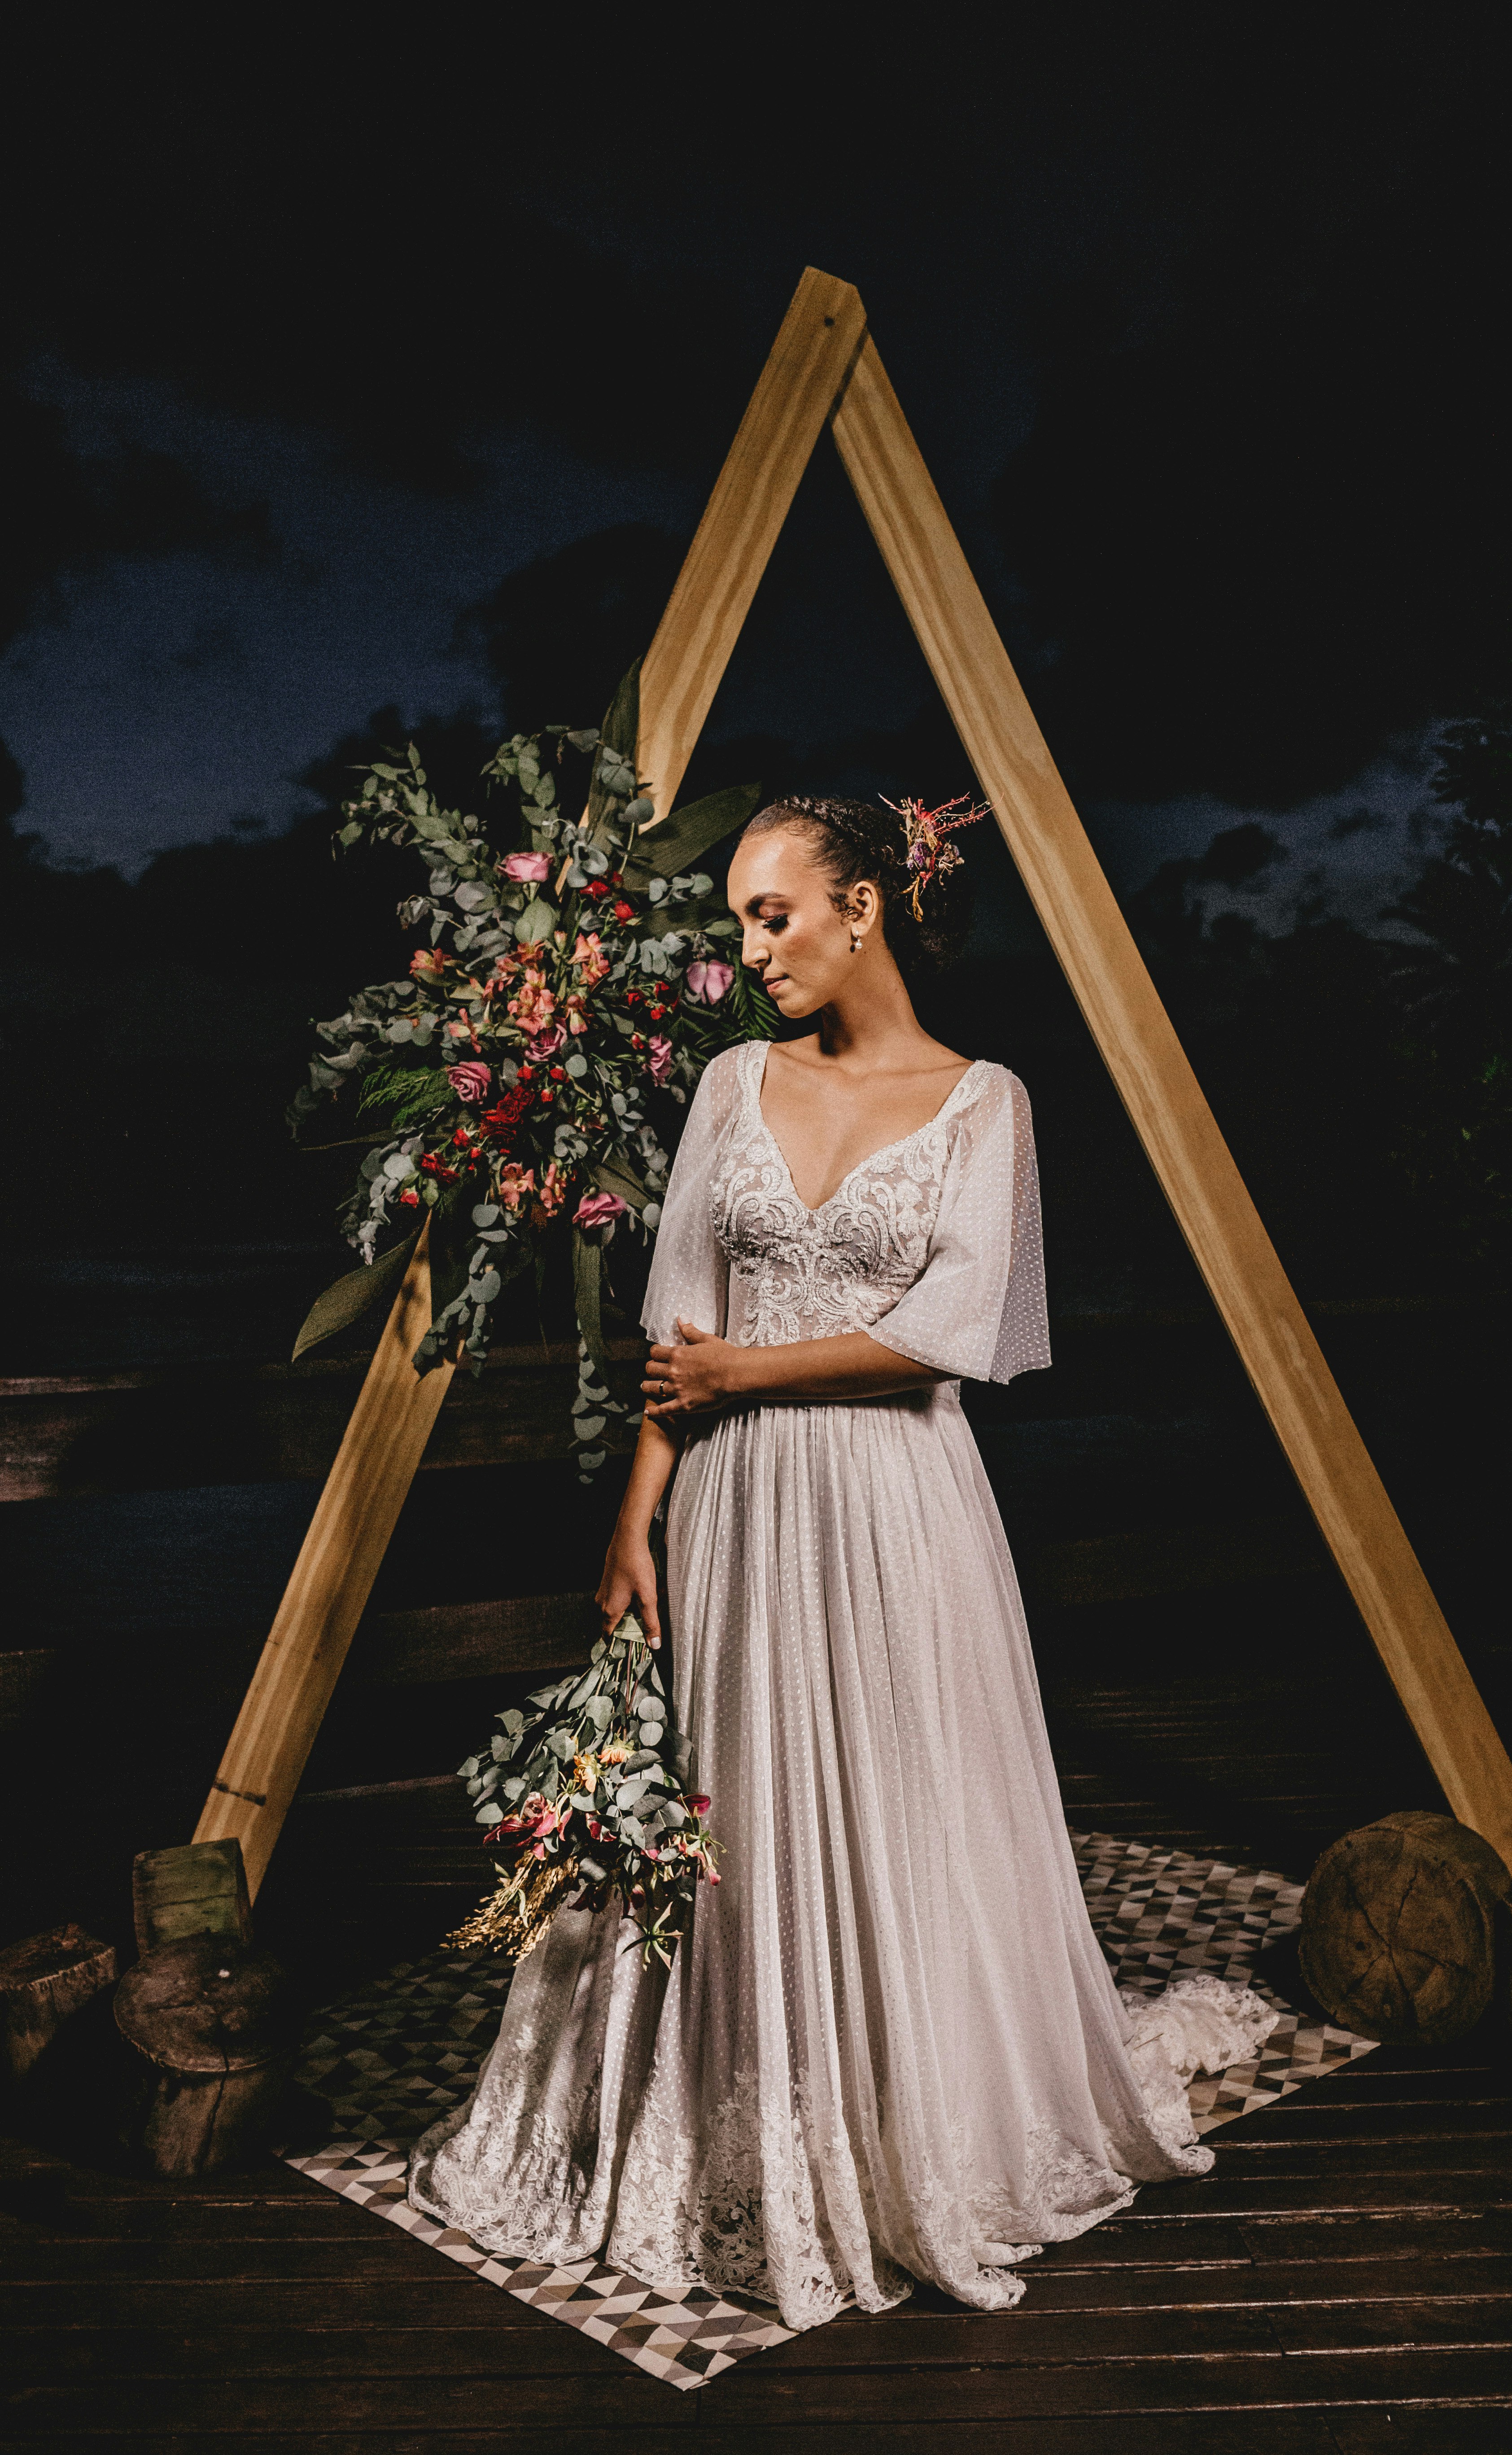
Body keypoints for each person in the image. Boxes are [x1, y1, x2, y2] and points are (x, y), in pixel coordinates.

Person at [408, 793, 1276, 2329]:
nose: (749, 951)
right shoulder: (733, 1082)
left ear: (863, 906)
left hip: (898, 1506)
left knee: (902, 1796)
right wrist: (636, 1517)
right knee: (744, 1803)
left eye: (773, 915)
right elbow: (681, 1321)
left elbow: (957, 1332)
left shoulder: (984, 1100)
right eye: (740, 919)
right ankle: (756, 2114)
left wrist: (748, 1376)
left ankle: (912, 2133)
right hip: (738, 1506)